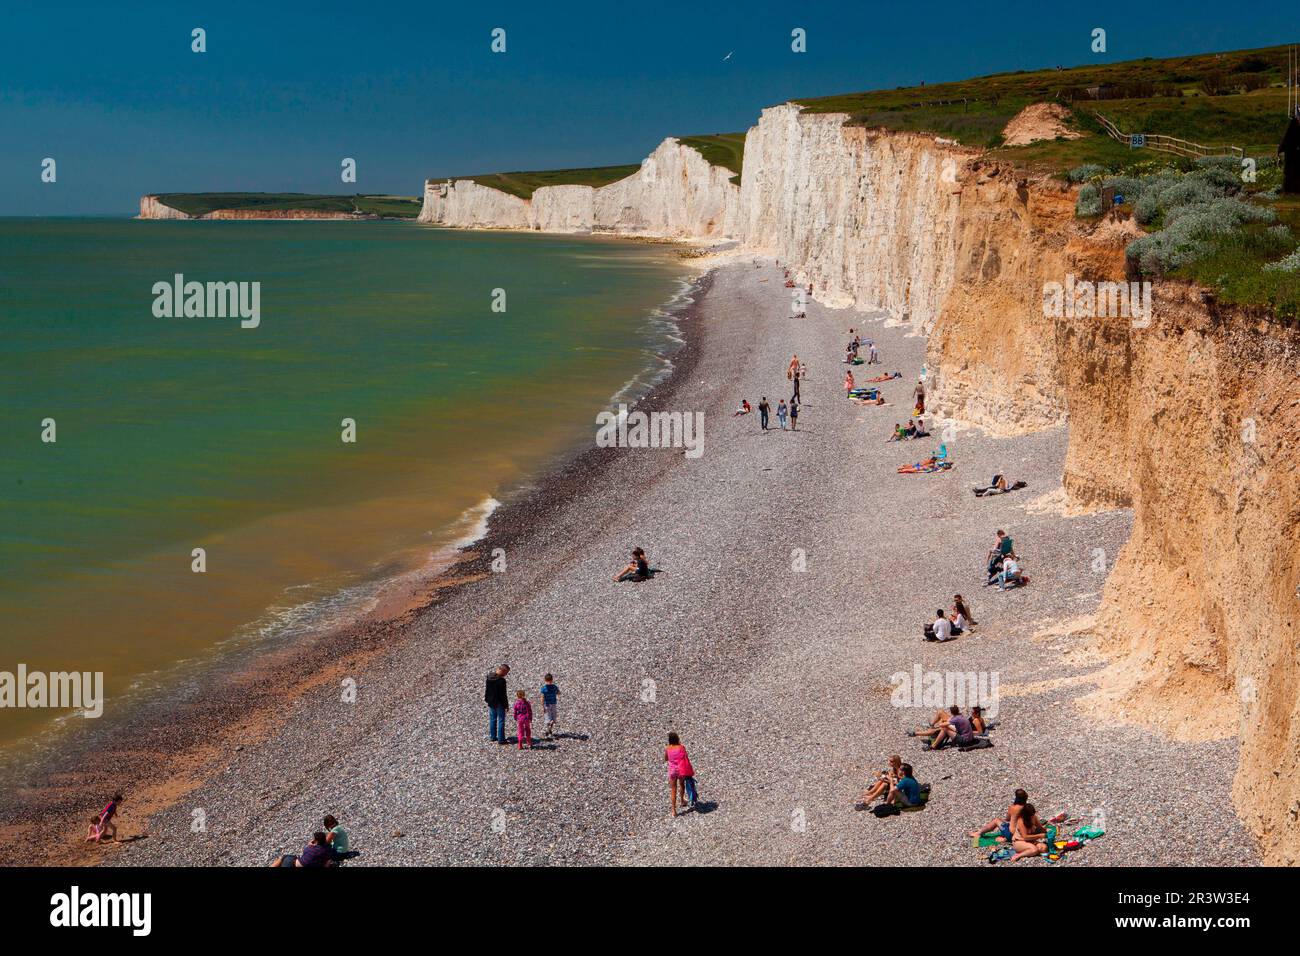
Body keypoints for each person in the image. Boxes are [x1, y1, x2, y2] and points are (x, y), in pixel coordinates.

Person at [665, 732, 696, 817]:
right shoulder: (681, 747)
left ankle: (674, 811)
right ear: (677, 738)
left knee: (673, 789)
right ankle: (682, 801)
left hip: (672, 771)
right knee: (682, 785)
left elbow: (666, 758)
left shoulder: (667, 748)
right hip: (681, 770)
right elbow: (685, 757)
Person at [485, 665, 510, 745]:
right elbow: (503, 695)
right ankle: (501, 739)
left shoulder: (489, 677)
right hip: (499, 702)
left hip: (491, 701)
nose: (506, 674)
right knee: (501, 720)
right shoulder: (501, 681)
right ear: (502, 670)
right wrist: (506, 705)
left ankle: (493, 737)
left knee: (492, 719)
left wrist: (487, 699)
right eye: (506, 672)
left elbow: (487, 690)